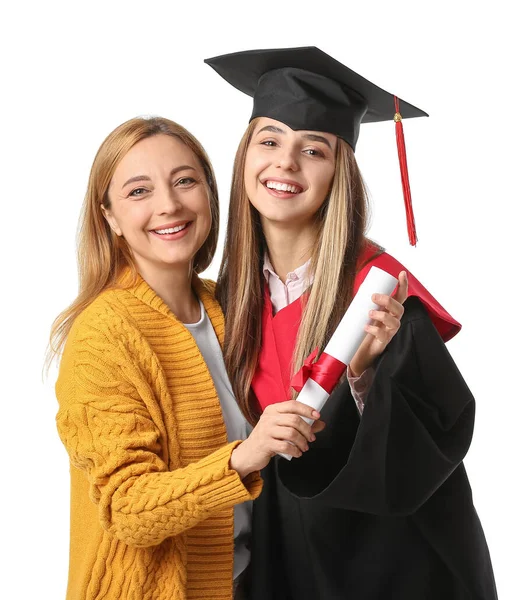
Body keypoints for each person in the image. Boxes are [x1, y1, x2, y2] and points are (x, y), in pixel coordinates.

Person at [207, 47, 498, 599]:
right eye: (269, 140)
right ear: (245, 155)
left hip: (385, 563)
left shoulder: (380, 294)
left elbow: (433, 442)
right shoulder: (225, 299)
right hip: (274, 558)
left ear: (339, 169)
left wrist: (366, 376)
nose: (285, 163)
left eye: (312, 149)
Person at [49, 116, 323, 600]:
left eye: (185, 181)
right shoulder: (103, 337)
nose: (169, 205)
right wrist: (246, 456)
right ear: (108, 216)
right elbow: (128, 509)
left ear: (210, 195)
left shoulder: (232, 307)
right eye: (139, 191)